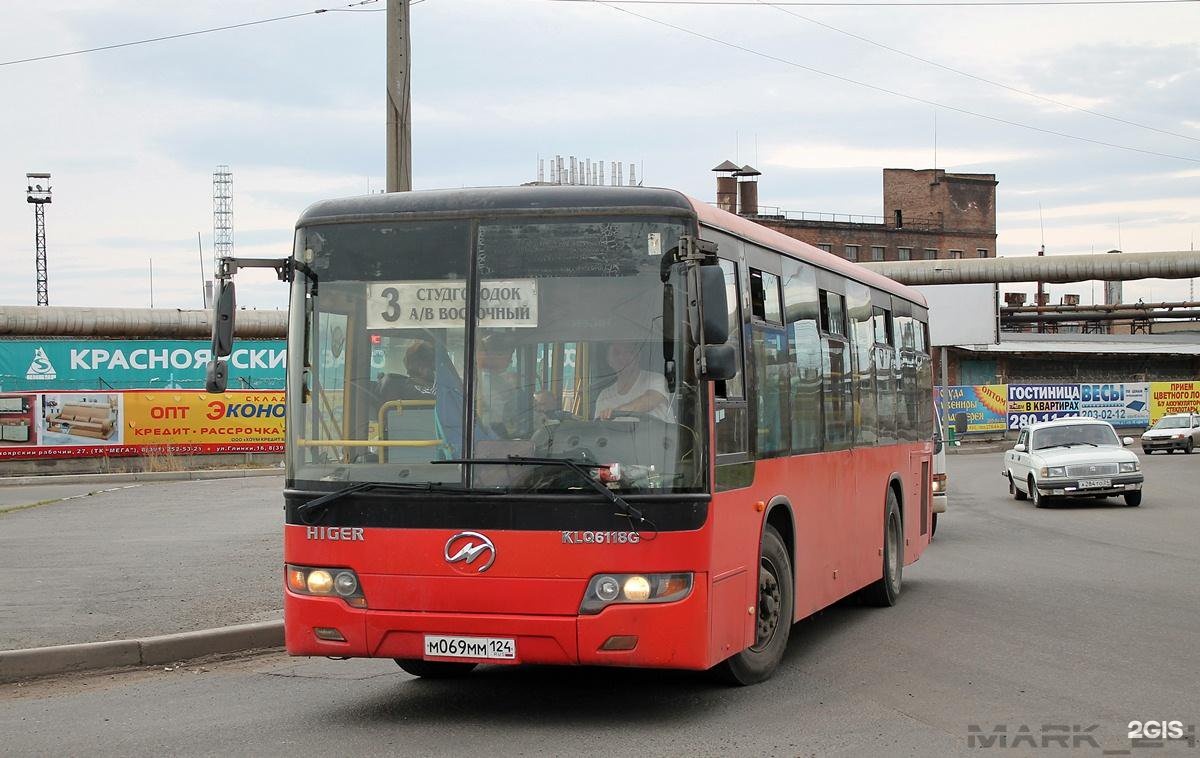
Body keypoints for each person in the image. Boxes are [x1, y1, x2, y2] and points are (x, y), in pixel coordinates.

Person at [594, 341, 672, 422]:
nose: (622, 357)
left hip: (661, 435)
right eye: (616, 353)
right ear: (609, 361)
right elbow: (599, 428)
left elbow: (649, 401)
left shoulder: (657, 380)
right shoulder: (604, 397)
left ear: (638, 356)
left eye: (628, 352)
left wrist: (615, 412)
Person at [476, 332, 521, 437]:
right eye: (509, 355)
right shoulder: (488, 381)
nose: (510, 361)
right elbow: (501, 415)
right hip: (492, 435)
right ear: (494, 355)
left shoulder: (493, 379)